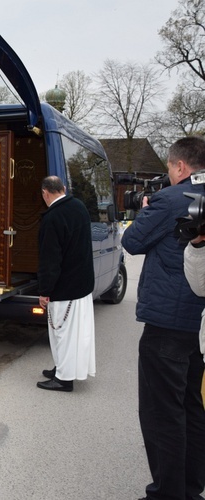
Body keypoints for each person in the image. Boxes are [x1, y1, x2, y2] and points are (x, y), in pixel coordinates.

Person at [122, 136, 205, 500]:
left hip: (166, 322)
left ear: (181, 167)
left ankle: (167, 493)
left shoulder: (171, 199)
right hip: (198, 326)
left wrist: (146, 208)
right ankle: (190, 488)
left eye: (171, 169)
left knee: (162, 412)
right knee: (192, 407)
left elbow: (133, 242)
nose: (170, 176)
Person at [36, 176, 95, 392]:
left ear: (45, 192)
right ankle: (62, 368)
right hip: (81, 283)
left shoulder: (53, 217)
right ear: (64, 188)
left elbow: (50, 259)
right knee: (73, 334)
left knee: (61, 332)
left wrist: (44, 291)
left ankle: (63, 379)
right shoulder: (78, 206)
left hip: (64, 286)